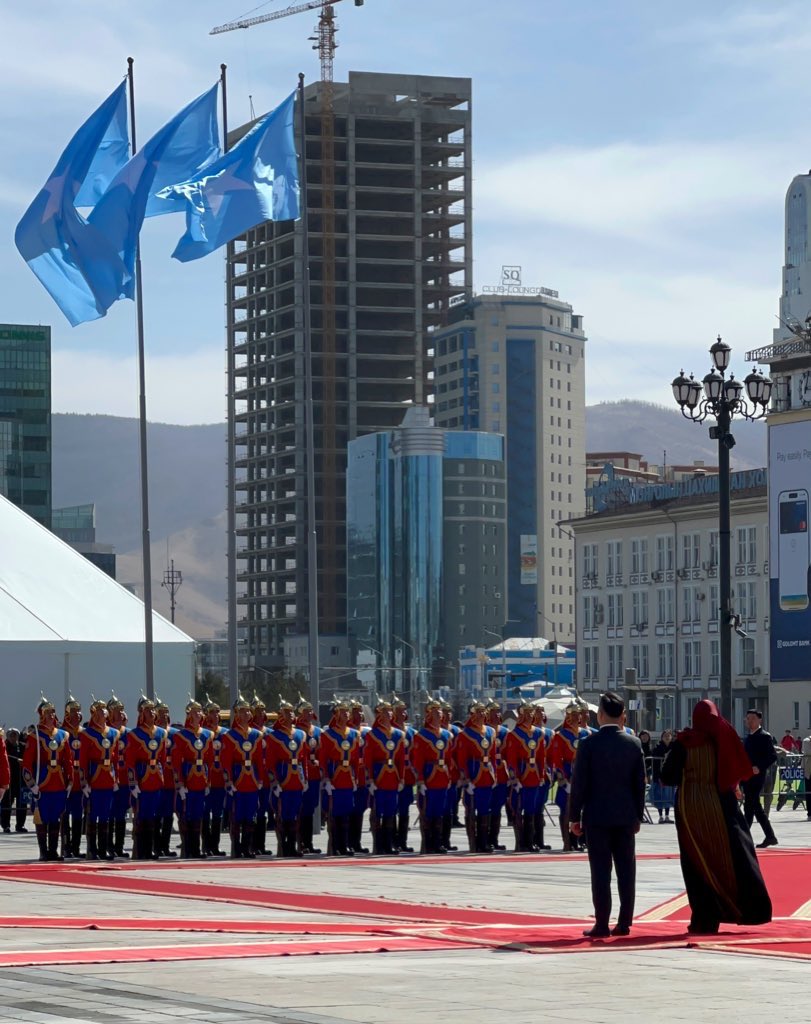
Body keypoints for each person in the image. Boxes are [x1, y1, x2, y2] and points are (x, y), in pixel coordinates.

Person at [660, 699, 772, 935]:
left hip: (690, 808)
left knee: (694, 862)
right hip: (720, 807)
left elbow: (667, 776)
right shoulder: (723, 739)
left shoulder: (685, 742)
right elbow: (734, 771)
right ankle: (742, 909)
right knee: (728, 858)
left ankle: (703, 918)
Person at [569, 691, 646, 939]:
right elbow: (639, 784)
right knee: (627, 871)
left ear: (600, 715)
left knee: (600, 871)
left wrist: (574, 817)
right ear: (623, 715)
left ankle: (602, 923)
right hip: (625, 817)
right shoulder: (633, 744)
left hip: (597, 818)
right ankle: (624, 922)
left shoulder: (589, 744)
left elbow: (579, 784)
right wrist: (638, 817)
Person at [22, 697, 73, 861]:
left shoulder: (63, 735)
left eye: (53, 712)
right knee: (42, 818)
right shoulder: (34, 736)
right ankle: (43, 851)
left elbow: (68, 760)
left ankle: (53, 850)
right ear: (41, 715)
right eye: (48, 713)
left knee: (56, 817)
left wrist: (70, 780)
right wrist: (32, 785)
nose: (52, 715)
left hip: (58, 782)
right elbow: (27, 765)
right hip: (42, 783)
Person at [220, 693, 265, 859]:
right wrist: (228, 781)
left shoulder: (257, 735)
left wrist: (260, 779)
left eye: (248, 711)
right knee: (237, 816)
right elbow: (226, 762)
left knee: (250, 816)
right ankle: (237, 848)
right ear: (237, 715)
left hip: (251, 779)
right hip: (238, 779)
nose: (247, 714)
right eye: (243, 711)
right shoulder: (230, 736)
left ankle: (248, 847)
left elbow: (260, 760)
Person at [125, 695, 168, 860]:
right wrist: (133, 782)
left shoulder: (161, 733)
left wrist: (162, 774)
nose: (151, 712)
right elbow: (130, 762)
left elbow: (163, 759)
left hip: (155, 777)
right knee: (142, 816)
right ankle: (141, 850)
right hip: (142, 778)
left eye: (152, 709)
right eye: (147, 710)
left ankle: (150, 849)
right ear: (141, 714)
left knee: (154, 816)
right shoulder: (134, 735)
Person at [363, 696, 405, 855]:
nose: (389, 715)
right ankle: (378, 845)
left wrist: (401, 778)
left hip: (392, 777)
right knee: (377, 812)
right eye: (385, 712)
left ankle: (389, 844)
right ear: (379, 715)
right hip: (379, 777)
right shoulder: (372, 735)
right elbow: (368, 760)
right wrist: (370, 779)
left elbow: (400, 759)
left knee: (390, 812)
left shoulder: (398, 735)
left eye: (390, 712)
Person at [79, 696, 119, 860]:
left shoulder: (114, 733)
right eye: (101, 711)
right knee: (92, 815)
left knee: (105, 815)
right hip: (94, 777)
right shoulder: (87, 734)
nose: (105, 713)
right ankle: (92, 849)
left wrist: (116, 779)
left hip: (108, 777)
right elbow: (83, 760)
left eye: (105, 710)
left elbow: (115, 758)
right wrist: (84, 781)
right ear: (95, 714)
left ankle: (103, 849)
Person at [454, 700, 496, 854]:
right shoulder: (465, 734)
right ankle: (474, 842)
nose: (481, 715)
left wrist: (494, 775)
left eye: (483, 712)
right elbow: (461, 759)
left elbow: (492, 756)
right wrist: (466, 779)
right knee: (471, 810)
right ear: (471, 715)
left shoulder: (491, 732)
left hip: (487, 775)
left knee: (485, 810)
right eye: (477, 713)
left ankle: (484, 842)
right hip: (473, 775)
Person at [172, 698, 212, 859]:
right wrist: (180, 783)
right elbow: (176, 762)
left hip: (201, 778)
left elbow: (209, 759)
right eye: (195, 712)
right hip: (188, 778)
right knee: (186, 814)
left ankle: (197, 848)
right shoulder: (181, 736)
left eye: (199, 711)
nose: (198, 715)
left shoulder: (207, 734)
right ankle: (188, 848)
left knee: (198, 814)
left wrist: (208, 781)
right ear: (189, 715)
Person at [266, 697, 307, 858]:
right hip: (284, 778)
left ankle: (294, 845)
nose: (291, 715)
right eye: (287, 712)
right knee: (283, 815)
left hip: (297, 778)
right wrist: (274, 782)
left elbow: (303, 760)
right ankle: (284, 847)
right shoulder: (274, 736)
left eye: (291, 712)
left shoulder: (300, 734)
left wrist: (305, 780)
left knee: (296, 814)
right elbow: (269, 763)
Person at [410, 698, 452, 854]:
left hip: (442, 776)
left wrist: (450, 777)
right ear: (428, 714)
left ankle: (438, 842)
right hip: (429, 775)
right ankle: (427, 844)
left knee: (439, 811)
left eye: (440, 711)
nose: (439, 714)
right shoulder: (422, 736)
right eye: (435, 711)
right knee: (428, 810)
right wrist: (420, 780)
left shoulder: (447, 735)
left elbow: (449, 759)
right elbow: (418, 760)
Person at [319, 697, 360, 856]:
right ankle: (335, 845)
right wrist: (326, 779)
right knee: (334, 814)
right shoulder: (327, 735)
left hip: (348, 777)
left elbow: (356, 759)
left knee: (346, 813)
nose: (346, 715)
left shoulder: (354, 734)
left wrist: (355, 778)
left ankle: (345, 845)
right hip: (335, 777)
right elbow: (323, 759)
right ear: (336, 715)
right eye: (343, 712)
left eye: (347, 712)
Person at [503, 700, 545, 852]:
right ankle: (521, 842)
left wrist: (541, 776)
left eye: (531, 713)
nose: (529, 716)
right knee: (518, 809)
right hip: (521, 776)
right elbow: (511, 759)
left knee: (531, 810)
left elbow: (541, 757)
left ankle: (530, 841)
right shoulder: (514, 735)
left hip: (534, 776)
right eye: (526, 713)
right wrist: (514, 777)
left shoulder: (539, 733)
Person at [547, 701, 582, 851]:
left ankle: (577, 840)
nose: (576, 718)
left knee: (580, 809)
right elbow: (556, 757)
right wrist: (561, 776)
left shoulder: (585, 734)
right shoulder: (560, 736)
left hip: (581, 773)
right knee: (565, 808)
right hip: (567, 774)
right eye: (573, 715)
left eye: (577, 715)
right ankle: (567, 841)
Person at [742, 709, 778, 848]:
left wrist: (760, 767)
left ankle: (744, 837)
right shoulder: (747, 737)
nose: (749, 721)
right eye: (748, 718)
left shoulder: (764, 736)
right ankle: (769, 836)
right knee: (751, 807)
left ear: (759, 720)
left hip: (757, 777)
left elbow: (772, 756)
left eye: (752, 718)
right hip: (747, 776)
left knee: (752, 805)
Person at [295, 694, 322, 854]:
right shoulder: (297, 731)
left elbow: (322, 753)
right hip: (301, 775)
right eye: (305, 712)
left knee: (311, 808)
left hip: (315, 774)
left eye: (310, 711)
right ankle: (300, 843)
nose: (308, 714)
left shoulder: (317, 731)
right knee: (300, 808)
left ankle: (309, 842)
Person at [202, 695, 227, 857]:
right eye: (212, 713)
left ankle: (215, 845)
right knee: (205, 812)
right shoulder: (202, 733)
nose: (216, 716)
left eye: (217, 713)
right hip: (205, 777)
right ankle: (206, 845)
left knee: (218, 813)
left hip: (220, 779)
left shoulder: (225, 733)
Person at [61, 695, 85, 859]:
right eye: (74, 712)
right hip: (65, 780)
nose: (77, 715)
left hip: (81, 779)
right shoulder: (61, 733)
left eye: (78, 712)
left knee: (78, 815)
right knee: (64, 815)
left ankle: (76, 847)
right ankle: (65, 846)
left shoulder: (84, 733)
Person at [107, 696, 131, 858]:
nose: (120, 713)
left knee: (121, 814)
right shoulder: (106, 731)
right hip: (109, 778)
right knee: (109, 813)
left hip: (124, 778)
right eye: (116, 710)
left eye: (121, 710)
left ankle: (119, 846)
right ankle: (107, 845)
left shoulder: (129, 733)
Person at [392, 696, 416, 853]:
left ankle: (403, 841)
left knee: (405, 809)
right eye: (400, 711)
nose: (403, 713)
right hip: (393, 774)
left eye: (404, 710)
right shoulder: (391, 731)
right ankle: (393, 840)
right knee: (392, 810)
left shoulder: (411, 732)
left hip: (407, 775)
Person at [486, 701, 509, 852]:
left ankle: (494, 839)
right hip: (486, 773)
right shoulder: (485, 732)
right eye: (493, 712)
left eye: (498, 711)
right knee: (484, 808)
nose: (497, 715)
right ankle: (483, 839)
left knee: (497, 808)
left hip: (501, 774)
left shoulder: (504, 732)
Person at [0, 728, 27, 834]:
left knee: (22, 804)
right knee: (6, 803)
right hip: (9, 780)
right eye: (11, 735)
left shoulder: (22, 746)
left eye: (15, 735)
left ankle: (20, 825)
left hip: (21, 780)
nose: (13, 737)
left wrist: (23, 762)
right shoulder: (4, 746)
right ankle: (5, 825)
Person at [650, 730, 675, 823]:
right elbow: (655, 764)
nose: (667, 737)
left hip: (670, 776)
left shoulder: (674, 748)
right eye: (665, 735)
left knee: (668, 796)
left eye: (669, 735)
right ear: (661, 737)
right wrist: (658, 776)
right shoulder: (657, 748)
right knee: (659, 796)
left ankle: (667, 816)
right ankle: (660, 816)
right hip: (659, 776)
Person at [802, 732, 811, 821]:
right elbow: (808, 752)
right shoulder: (806, 741)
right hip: (809, 771)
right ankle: (810, 813)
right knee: (809, 792)